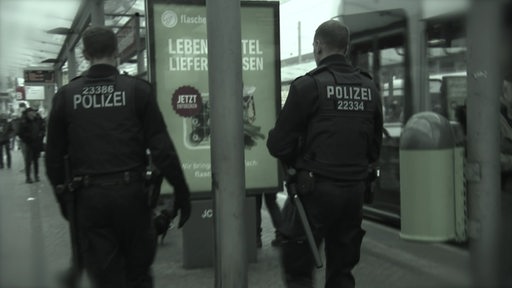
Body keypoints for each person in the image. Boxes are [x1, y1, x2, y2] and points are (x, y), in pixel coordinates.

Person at [45, 26, 191, 288]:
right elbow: (162, 150)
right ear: (116, 52)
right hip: (132, 197)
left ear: (85, 54)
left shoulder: (66, 97)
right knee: (138, 274)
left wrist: (65, 203)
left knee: (104, 278)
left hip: (89, 200)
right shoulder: (138, 91)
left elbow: (53, 158)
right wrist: (181, 192)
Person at [267, 20, 383, 288]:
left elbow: (277, 145)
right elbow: (374, 146)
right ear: (346, 48)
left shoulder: (307, 86)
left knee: (298, 269)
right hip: (354, 192)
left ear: (318, 46)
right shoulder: (369, 88)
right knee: (342, 271)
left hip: (313, 193)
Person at [18, 107, 45, 182]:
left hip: (37, 142)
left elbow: (43, 128)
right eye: (31, 112)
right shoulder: (24, 121)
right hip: (28, 143)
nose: (33, 114)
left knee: (36, 160)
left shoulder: (38, 119)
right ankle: (28, 177)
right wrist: (27, 139)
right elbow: (20, 132)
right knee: (28, 161)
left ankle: (36, 176)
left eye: (33, 112)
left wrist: (41, 135)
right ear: (27, 113)